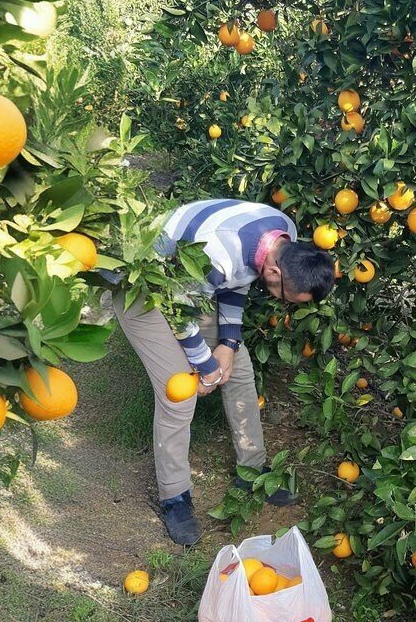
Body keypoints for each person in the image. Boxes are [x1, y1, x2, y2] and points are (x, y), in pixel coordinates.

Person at [111, 198, 335, 546]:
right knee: (178, 394)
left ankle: (253, 471)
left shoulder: (283, 234)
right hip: (142, 287)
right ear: (275, 272)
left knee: (240, 370)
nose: (283, 303)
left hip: (186, 284)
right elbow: (180, 313)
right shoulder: (221, 251)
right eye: (286, 296)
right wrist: (205, 366)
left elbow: (239, 280)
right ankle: (175, 497)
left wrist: (228, 346)